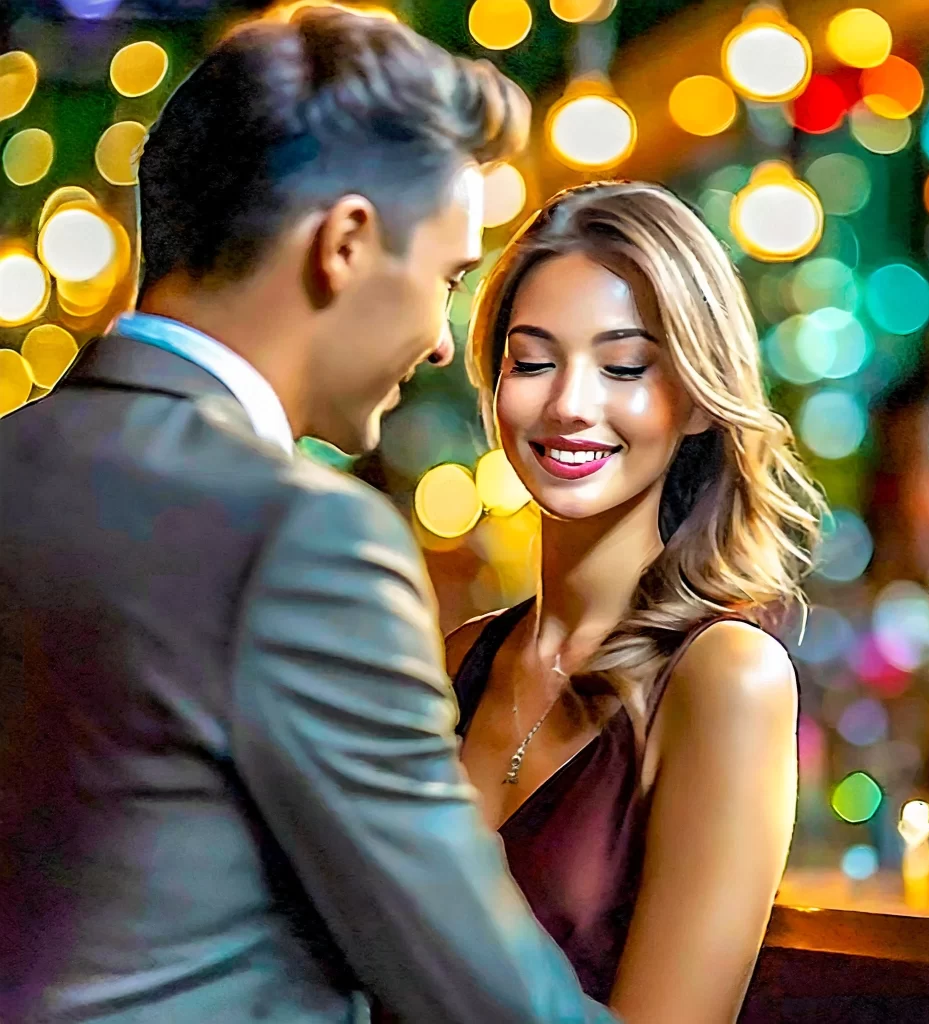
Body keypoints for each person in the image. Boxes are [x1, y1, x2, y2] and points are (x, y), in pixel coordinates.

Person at [0, 10, 617, 1024]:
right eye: (450, 279)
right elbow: (495, 1000)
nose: (435, 344)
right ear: (343, 244)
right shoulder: (300, 538)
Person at [448, 181, 825, 1022]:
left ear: (694, 398)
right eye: (532, 360)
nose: (570, 404)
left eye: (624, 366)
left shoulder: (728, 675)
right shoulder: (457, 659)